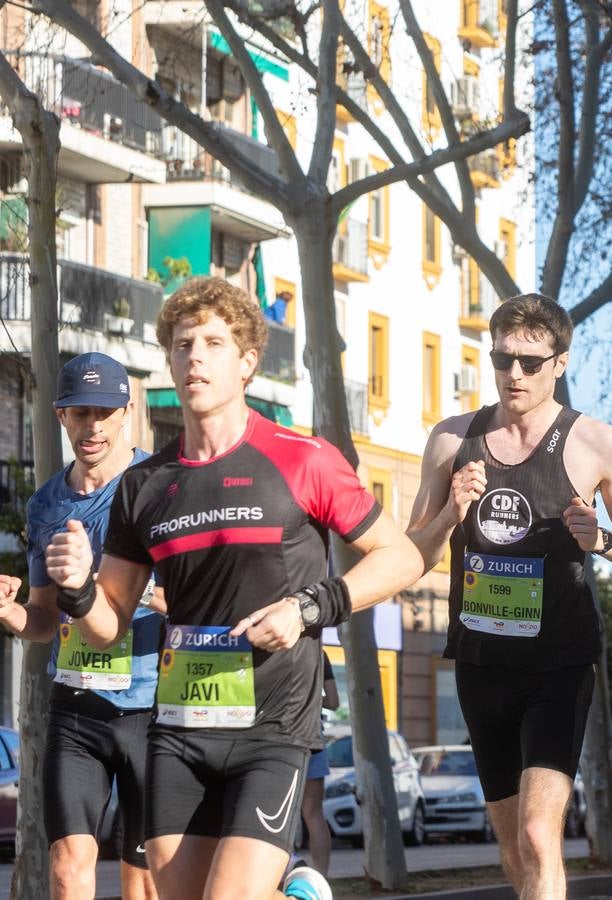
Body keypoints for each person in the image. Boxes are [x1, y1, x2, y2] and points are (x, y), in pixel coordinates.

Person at [42, 277, 424, 900]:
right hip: (180, 725)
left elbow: (401, 557)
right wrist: (80, 589)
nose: (194, 356)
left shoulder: (302, 459)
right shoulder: (144, 484)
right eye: (183, 343)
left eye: (214, 343)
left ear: (247, 362)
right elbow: (108, 620)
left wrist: (308, 609)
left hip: (271, 729)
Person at [406, 293, 612, 899]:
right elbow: (414, 554)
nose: (514, 374)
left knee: (540, 835)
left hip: (558, 663)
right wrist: (450, 514)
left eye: (530, 362)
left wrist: (601, 539)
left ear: (560, 363)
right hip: (481, 661)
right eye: (502, 359)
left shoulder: (595, 442)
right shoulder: (450, 441)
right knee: (513, 842)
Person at [0, 352, 163, 900]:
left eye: (103, 411)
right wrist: (9, 612)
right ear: (59, 416)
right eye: (78, 412)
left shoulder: (159, 486)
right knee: (68, 867)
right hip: (76, 706)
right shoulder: (46, 503)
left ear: (125, 412)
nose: (91, 426)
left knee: (142, 883)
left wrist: (103, 590)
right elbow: (44, 619)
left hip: (150, 706)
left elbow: (192, 599)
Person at [298, 652, 340, 875]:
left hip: (278, 739)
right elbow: (333, 702)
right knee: (313, 814)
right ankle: (321, 878)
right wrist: (311, 697)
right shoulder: (319, 653)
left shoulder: (272, 642)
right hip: (313, 736)